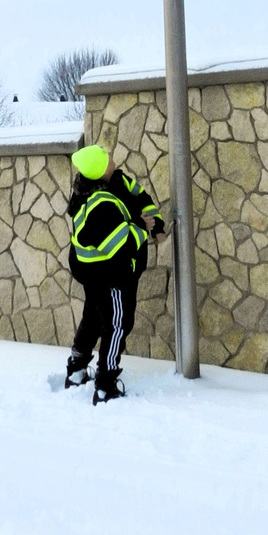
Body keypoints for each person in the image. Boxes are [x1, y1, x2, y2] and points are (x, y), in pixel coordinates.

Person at [64, 144, 166, 404]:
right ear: (99, 171)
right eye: (107, 159)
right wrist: (143, 227)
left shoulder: (109, 185)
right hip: (113, 276)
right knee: (118, 324)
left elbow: (141, 199)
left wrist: (157, 226)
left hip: (95, 273)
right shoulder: (101, 203)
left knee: (94, 319)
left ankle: (76, 369)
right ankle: (105, 384)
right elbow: (117, 241)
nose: (112, 160)